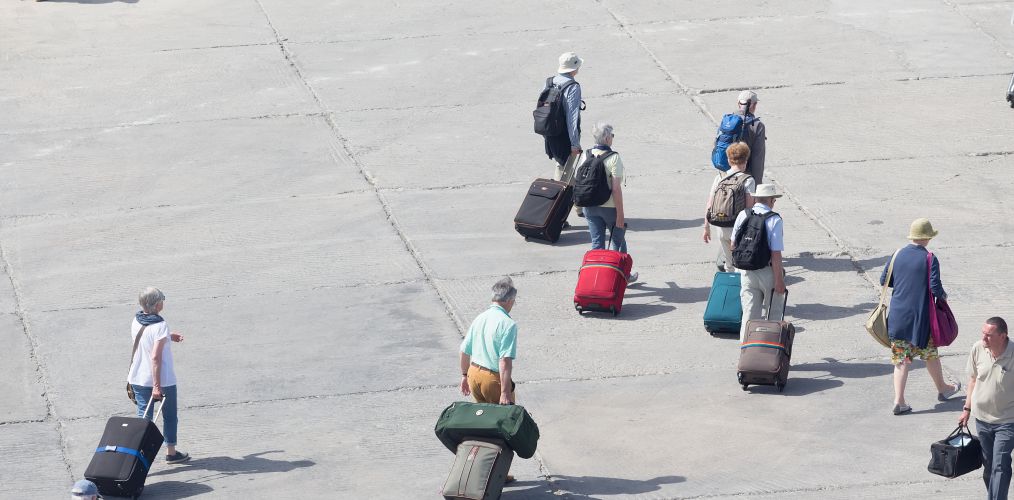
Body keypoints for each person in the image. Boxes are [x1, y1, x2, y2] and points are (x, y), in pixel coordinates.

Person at [879, 218, 960, 415]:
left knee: (901, 360)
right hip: (921, 319)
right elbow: (935, 287)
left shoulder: (897, 254)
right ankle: (943, 389)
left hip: (898, 317)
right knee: (930, 353)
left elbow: (884, 280)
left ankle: (899, 401)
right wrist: (944, 297)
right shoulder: (930, 258)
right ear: (928, 237)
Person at [458, 277, 519, 483]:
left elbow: (464, 350)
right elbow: (504, 362)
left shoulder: (480, 317)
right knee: (504, 429)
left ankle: (479, 471)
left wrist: (465, 376)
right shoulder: (507, 324)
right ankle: (496, 474)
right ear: (510, 301)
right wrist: (504, 391)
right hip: (493, 380)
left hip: (475, 374)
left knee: (483, 425)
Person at [128, 287, 190, 464]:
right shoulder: (160, 325)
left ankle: (136, 456)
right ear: (156, 305)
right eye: (162, 299)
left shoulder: (137, 320)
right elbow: (155, 356)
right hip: (163, 381)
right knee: (169, 415)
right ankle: (171, 452)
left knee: (143, 418)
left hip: (138, 377)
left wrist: (168, 337)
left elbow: (148, 337)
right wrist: (157, 385)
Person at [959, 317, 1014, 500]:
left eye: (989, 335)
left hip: (1007, 421)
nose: (984, 339)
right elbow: (973, 380)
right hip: (981, 419)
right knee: (989, 466)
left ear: (1003, 336)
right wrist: (966, 408)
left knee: (1000, 465)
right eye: (983, 333)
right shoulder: (978, 349)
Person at [582, 121, 639, 283]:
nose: (612, 138)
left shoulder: (586, 155)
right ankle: (623, 277)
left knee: (597, 244)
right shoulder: (613, 158)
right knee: (618, 243)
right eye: (612, 135)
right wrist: (620, 214)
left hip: (590, 207)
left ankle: (597, 279)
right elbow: (616, 189)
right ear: (607, 138)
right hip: (609, 208)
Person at [731, 183, 785, 341]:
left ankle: (746, 352)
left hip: (747, 272)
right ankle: (770, 352)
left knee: (749, 314)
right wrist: (779, 280)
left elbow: (733, 245)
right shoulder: (774, 219)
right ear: (771, 200)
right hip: (767, 272)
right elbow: (775, 254)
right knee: (773, 313)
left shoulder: (744, 214)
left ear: (756, 199)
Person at [542, 52, 585, 223]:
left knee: (563, 168)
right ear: (574, 68)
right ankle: (556, 214)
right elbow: (572, 118)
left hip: (550, 135)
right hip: (565, 137)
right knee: (565, 175)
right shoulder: (572, 87)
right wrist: (574, 143)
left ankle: (580, 205)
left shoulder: (549, 82)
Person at [703, 142, 756, 273]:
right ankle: (741, 290)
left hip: (720, 226)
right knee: (740, 263)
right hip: (738, 228)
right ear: (746, 160)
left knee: (728, 263)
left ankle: (729, 287)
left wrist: (706, 227)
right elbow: (749, 208)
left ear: (728, 159)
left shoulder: (719, 178)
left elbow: (709, 204)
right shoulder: (748, 180)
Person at [733, 90, 767, 183]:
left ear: (738, 103)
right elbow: (758, 159)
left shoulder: (727, 121)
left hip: (727, 174)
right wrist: (757, 184)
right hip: (746, 178)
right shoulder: (757, 125)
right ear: (754, 105)